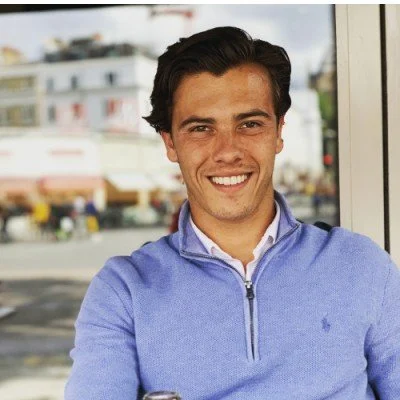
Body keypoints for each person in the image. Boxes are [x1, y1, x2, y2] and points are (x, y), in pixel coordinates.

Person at [65, 27, 400, 399]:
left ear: (278, 132)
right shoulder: (123, 291)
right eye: (201, 128)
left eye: (249, 124)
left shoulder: (361, 265)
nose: (227, 152)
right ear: (170, 143)